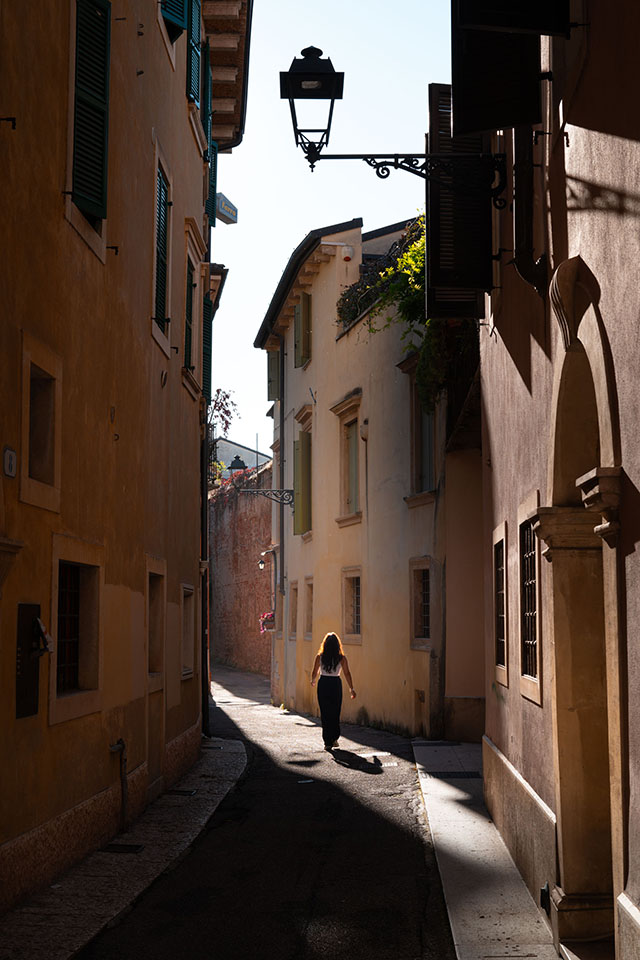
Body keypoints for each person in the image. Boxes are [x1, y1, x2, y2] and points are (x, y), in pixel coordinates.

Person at [310, 632, 356, 751]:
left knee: (325, 713)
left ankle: (327, 742)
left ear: (325, 644)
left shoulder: (320, 657)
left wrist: (313, 680)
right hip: (335, 684)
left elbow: (314, 671)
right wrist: (352, 688)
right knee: (335, 712)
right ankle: (334, 737)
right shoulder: (341, 658)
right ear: (337, 645)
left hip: (323, 684)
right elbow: (347, 673)